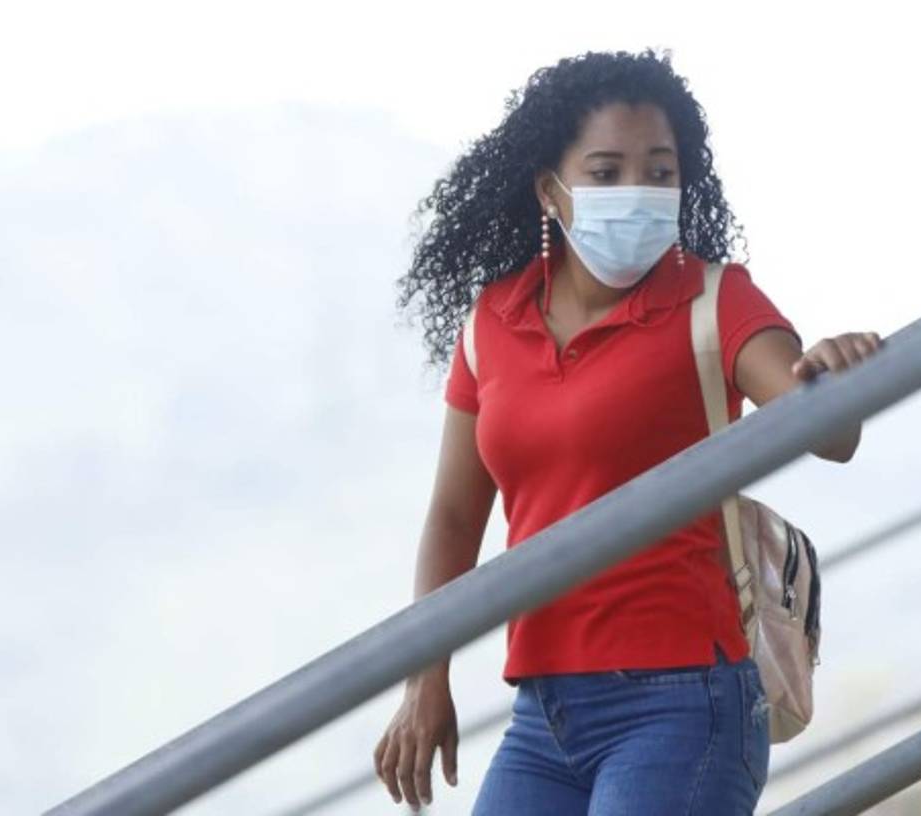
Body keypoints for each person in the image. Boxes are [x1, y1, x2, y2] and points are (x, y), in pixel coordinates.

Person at [375, 48, 882, 815]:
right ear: (551, 192)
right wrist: (426, 680)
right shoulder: (491, 324)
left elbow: (825, 429)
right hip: (543, 714)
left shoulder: (715, 300)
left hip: (684, 702)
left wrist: (834, 373)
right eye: (607, 174)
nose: (638, 193)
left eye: (659, 170)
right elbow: (453, 517)